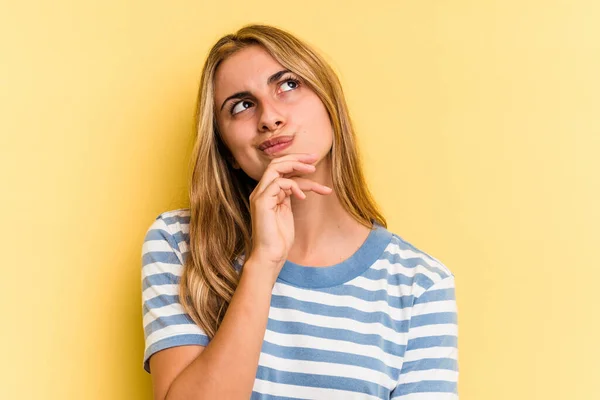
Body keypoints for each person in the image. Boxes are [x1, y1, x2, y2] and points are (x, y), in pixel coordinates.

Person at [141, 24, 458, 399]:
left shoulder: (419, 284)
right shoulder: (180, 244)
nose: (269, 117)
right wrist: (263, 264)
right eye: (241, 105)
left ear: (329, 104)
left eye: (288, 85)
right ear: (227, 150)